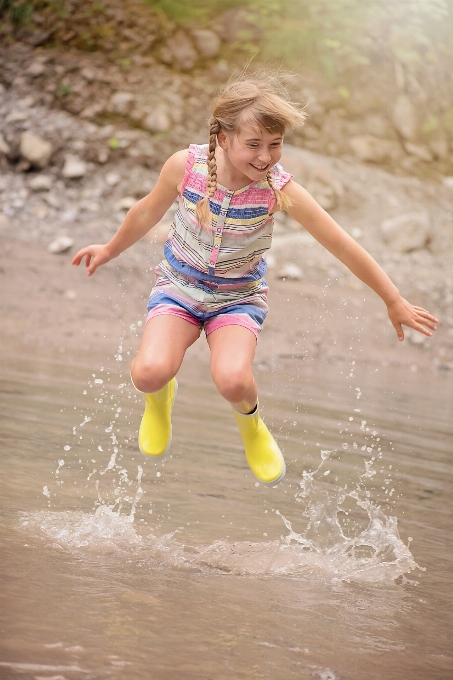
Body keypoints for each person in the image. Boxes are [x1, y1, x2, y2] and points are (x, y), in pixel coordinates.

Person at [72, 75, 438, 488]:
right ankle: (159, 399)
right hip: (178, 289)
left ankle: (251, 425)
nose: (266, 156)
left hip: (237, 300)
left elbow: (343, 245)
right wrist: (109, 249)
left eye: (275, 144)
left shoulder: (279, 188)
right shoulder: (185, 166)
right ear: (223, 138)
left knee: (234, 380)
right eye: (254, 144)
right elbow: (145, 211)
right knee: (149, 373)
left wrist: (392, 299)